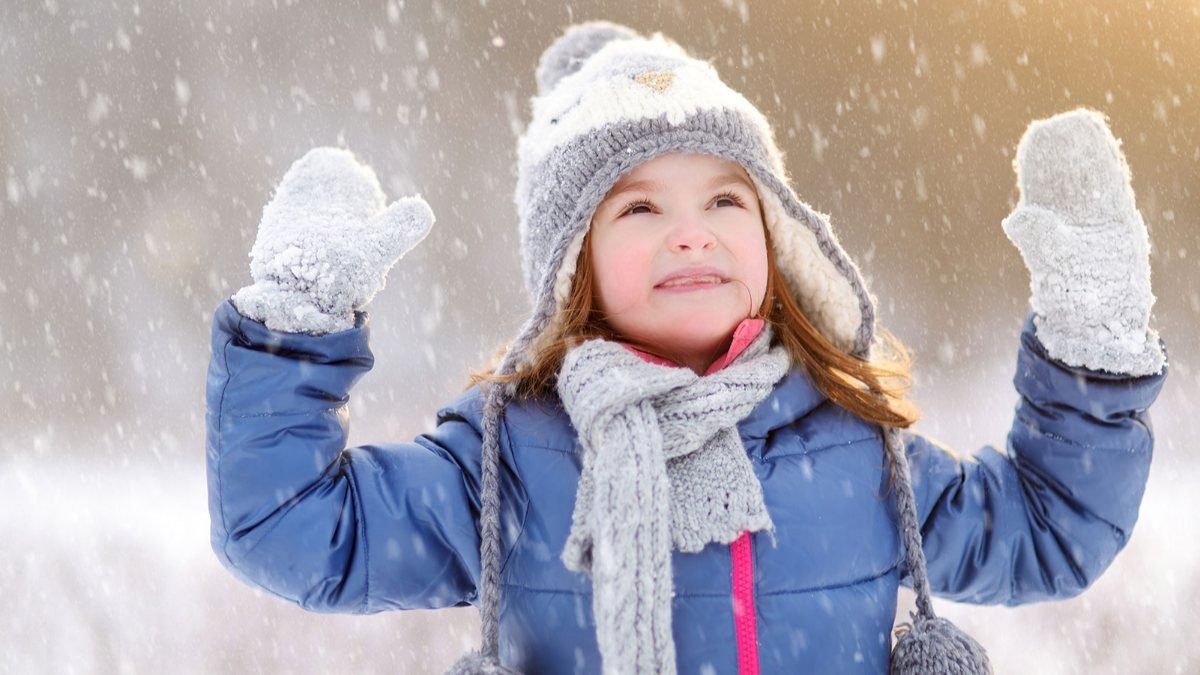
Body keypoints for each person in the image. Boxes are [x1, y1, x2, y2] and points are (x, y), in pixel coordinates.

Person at [206, 21, 1168, 675]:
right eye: (638, 207)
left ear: (777, 237)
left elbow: (1050, 530)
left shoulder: (854, 447)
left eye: (723, 199)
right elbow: (290, 527)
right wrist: (299, 319)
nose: (691, 232)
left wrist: (1091, 337)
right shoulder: (511, 460)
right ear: (570, 262)